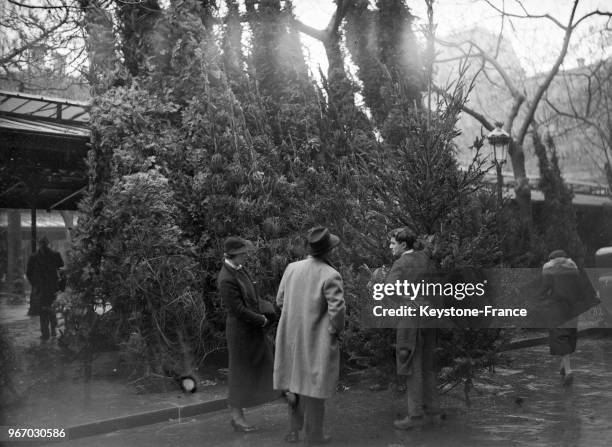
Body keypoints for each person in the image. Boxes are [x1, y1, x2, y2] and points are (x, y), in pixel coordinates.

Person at [274, 226, 345, 445]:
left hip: (292, 338)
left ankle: (294, 431)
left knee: (295, 385)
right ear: (328, 251)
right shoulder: (330, 274)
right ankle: (314, 434)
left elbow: (279, 300)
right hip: (316, 340)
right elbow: (337, 311)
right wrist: (334, 331)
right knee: (315, 387)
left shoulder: (291, 268)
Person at [217, 236, 278, 432]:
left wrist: (269, 309)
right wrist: (260, 319)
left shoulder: (239, 269)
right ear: (232, 255)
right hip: (240, 332)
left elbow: (252, 294)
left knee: (266, 363)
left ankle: (288, 397)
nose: (245, 257)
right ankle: (237, 417)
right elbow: (238, 310)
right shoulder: (226, 278)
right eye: (242, 254)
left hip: (252, 328)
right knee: (239, 373)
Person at [384, 227, 440, 430]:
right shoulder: (425, 259)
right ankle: (433, 413)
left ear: (403, 245)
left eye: (392, 243)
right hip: (429, 318)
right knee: (428, 366)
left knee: (412, 367)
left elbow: (389, 288)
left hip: (411, 319)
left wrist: (406, 300)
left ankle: (415, 416)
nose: (390, 247)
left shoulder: (401, 263)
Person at [540, 249, 596, 386]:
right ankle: (563, 366)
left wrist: (540, 299)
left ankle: (569, 370)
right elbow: (585, 289)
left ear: (552, 260)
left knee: (560, 336)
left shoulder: (550, 271)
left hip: (558, 308)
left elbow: (543, 290)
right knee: (569, 334)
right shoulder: (575, 270)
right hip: (572, 308)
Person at [26, 236, 64, 340]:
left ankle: (50, 332)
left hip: (49, 287)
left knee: (48, 309)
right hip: (43, 287)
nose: (43, 245)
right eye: (42, 243)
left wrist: (61, 286)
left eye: (44, 243)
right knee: (46, 310)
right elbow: (29, 273)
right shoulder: (35, 257)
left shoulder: (53, 255)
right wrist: (35, 284)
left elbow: (62, 271)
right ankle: (48, 332)